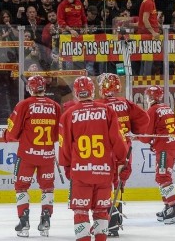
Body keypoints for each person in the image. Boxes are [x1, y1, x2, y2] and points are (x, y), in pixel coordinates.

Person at [57, 76, 128, 241]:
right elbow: (118, 141)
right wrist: (122, 162)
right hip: (104, 172)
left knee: (80, 212)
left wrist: (68, 168)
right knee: (101, 212)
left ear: (76, 92)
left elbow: (65, 148)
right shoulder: (107, 111)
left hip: (80, 174)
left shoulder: (68, 115)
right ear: (93, 90)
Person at [4, 75, 62, 238]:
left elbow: (12, 131)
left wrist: (7, 136)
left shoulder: (24, 105)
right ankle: (46, 221)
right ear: (45, 88)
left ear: (30, 88)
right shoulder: (55, 106)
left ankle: (24, 222)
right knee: (48, 188)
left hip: (27, 156)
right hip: (47, 156)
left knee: (21, 187)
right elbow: (58, 134)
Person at [95, 73, 151, 237]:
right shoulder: (125, 103)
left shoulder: (98, 105)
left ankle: (108, 222)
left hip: (106, 152)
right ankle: (115, 222)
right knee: (118, 184)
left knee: (105, 186)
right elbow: (144, 119)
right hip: (125, 151)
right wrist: (135, 131)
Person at [143, 85, 175, 224]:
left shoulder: (152, 110)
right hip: (173, 145)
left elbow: (146, 136)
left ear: (150, 97)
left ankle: (174, 208)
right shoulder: (168, 108)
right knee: (162, 176)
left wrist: (137, 136)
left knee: (162, 177)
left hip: (165, 147)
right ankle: (168, 206)